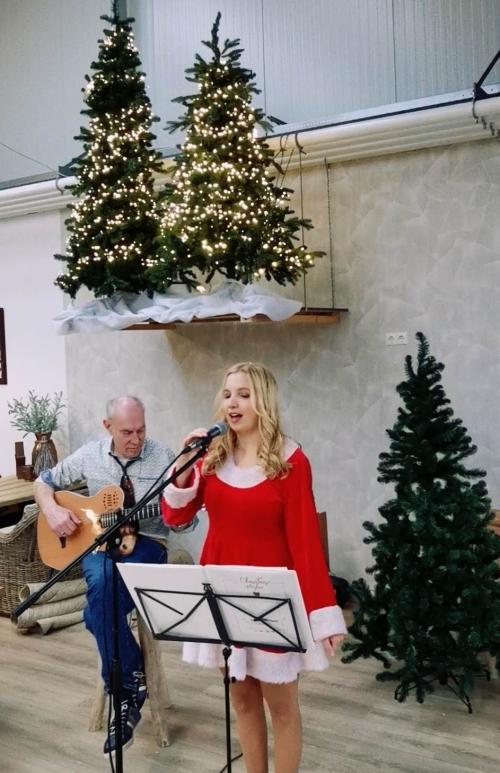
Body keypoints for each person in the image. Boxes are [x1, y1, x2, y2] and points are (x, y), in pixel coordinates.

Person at [161, 362, 347, 773]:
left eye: (244, 394)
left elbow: (305, 542)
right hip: (221, 595)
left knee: (281, 706)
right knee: (242, 701)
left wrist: (323, 613)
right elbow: (177, 517)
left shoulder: (291, 460)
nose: (233, 403)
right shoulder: (212, 455)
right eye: (227, 394)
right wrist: (184, 464)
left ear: (263, 401)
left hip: (269, 598)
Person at [33, 395, 177, 755]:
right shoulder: (90, 454)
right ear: (107, 426)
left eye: (141, 430)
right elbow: (43, 482)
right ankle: (131, 685)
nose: (136, 438)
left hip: (147, 543)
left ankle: (125, 694)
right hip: (99, 543)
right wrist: (51, 510)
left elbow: (183, 518)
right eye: (127, 431)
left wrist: (183, 509)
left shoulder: (163, 458)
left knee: (95, 608)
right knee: (102, 584)